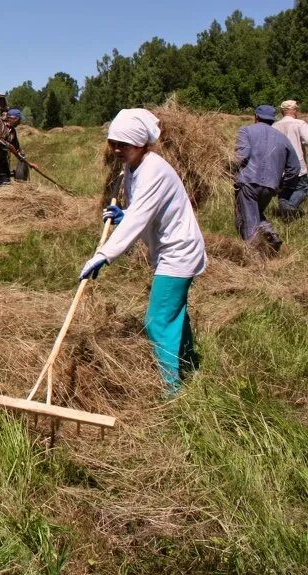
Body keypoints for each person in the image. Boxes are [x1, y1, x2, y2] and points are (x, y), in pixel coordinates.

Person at [79, 109, 205, 394]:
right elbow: (140, 212)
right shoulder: (133, 169)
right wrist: (125, 213)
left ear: (139, 144)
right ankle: (187, 363)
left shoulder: (154, 170)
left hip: (179, 252)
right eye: (112, 143)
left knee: (158, 320)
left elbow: (140, 217)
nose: (115, 150)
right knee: (175, 313)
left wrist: (103, 254)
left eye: (122, 145)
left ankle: (171, 389)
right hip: (167, 248)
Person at [233, 104, 299, 250]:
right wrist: (282, 184)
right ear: (273, 120)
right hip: (270, 186)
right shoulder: (283, 139)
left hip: (248, 183)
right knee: (254, 213)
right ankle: (270, 233)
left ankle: (253, 257)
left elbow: (241, 157)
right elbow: (295, 168)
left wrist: (227, 169)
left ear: (256, 117)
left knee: (246, 221)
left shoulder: (246, 131)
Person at [272, 99, 308, 218]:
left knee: (284, 191)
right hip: (298, 164)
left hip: (280, 166)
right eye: (296, 109)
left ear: (282, 111)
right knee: (303, 188)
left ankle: (284, 207)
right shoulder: (299, 124)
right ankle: (290, 207)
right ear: (294, 110)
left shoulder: (274, 126)